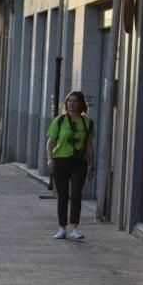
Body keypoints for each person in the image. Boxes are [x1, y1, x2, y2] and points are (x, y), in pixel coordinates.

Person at [46, 90, 95, 240]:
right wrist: (50, 159)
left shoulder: (87, 123)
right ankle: (61, 228)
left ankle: (75, 227)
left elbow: (89, 146)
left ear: (81, 104)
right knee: (62, 195)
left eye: (75, 101)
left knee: (76, 194)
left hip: (79, 162)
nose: (72, 104)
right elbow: (50, 142)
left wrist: (91, 166)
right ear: (66, 104)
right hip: (60, 161)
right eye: (69, 101)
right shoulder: (59, 121)